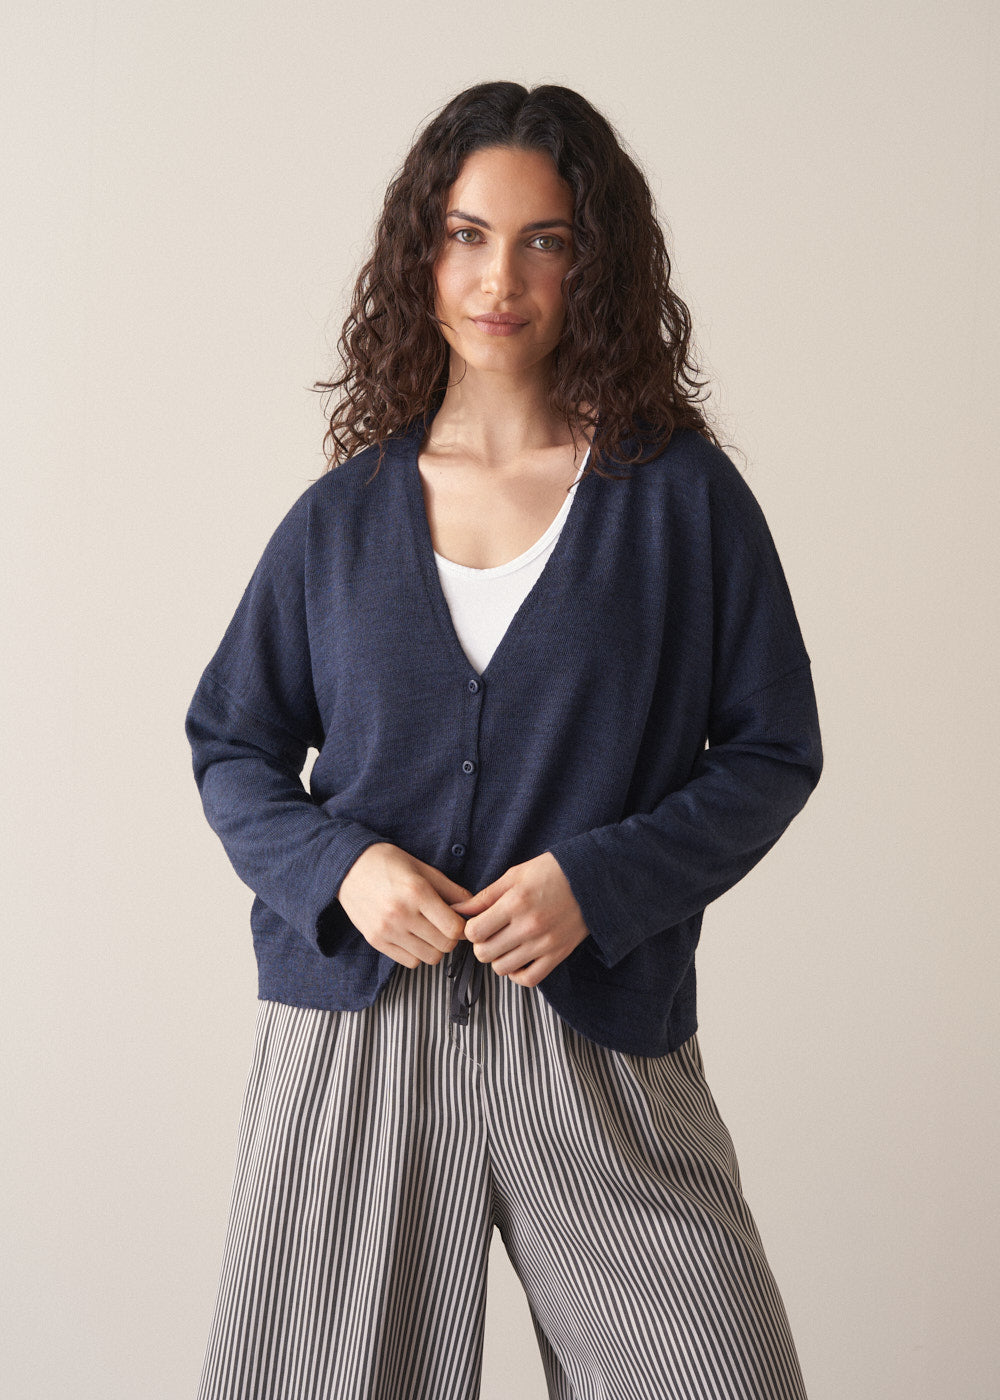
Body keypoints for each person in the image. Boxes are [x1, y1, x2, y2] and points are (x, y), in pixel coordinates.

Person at [185, 80, 823, 1400]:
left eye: (546, 241)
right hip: (359, 1034)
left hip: (595, 1030)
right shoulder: (340, 520)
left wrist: (602, 883)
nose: (499, 280)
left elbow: (774, 749)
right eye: (467, 235)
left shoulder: (680, 502)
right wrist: (345, 871)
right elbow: (232, 744)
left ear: (596, 265)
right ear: (421, 253)